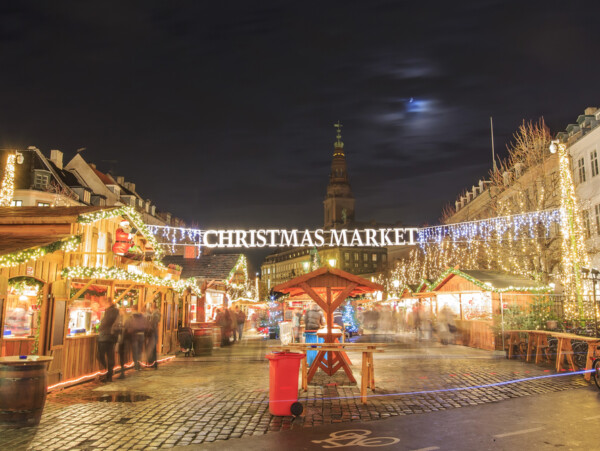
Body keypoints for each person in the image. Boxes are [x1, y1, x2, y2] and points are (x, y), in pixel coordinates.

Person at [97, 298, 119, 382]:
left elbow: (105, 322)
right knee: (110, 356)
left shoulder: (109, 311)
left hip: (105, 336)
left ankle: (105, 372)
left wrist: (100, 328)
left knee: (100, 355)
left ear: (108, 303)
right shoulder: (116, 311)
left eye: (104, 303)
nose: (103, 305)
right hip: (113, 336)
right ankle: (109, 374)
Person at [114, 307, 128, 379]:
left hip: (121, 340)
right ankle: (122, 371)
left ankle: (122, 372)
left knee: (121, 356)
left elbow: (117, 328)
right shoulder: (126, 318)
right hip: (125, 340)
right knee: (122, 356)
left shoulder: (122, 319)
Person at [145, 303, 161, 369]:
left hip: (152, 333)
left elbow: (154, 323)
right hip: (154, 333)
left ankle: (153, 363)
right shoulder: (155, 314)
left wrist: (150, 328)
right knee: (153, 349)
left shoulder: (155, 314)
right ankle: (153, 363)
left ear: (152, 308)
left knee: (152, 349)